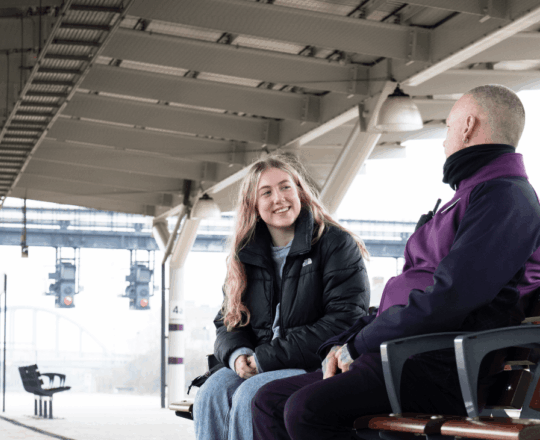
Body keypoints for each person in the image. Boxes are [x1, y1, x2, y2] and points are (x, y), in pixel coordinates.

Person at [251, 84, 540, 440]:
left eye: (448, 127)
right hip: (401, 353)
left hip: (436, 362)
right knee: (269, 400)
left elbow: (451, 296)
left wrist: (359, 345)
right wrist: (345, 342)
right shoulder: (471, 194)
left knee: (306, 409)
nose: (444, 140)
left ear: (468, 126)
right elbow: (411, 292)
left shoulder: (504, 197)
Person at [193, 154, 371, 440]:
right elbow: (229, 321)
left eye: (285, 187)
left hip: (315, 363)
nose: (279, 198)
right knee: (211, 392)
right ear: (253, 204)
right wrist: (239, 356)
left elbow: (345, 320)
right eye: (266, 192)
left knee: (252, 394)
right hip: (258, 361)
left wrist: (263, 358)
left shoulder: (335, 243)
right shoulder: (244, 255)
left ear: (299, 191)